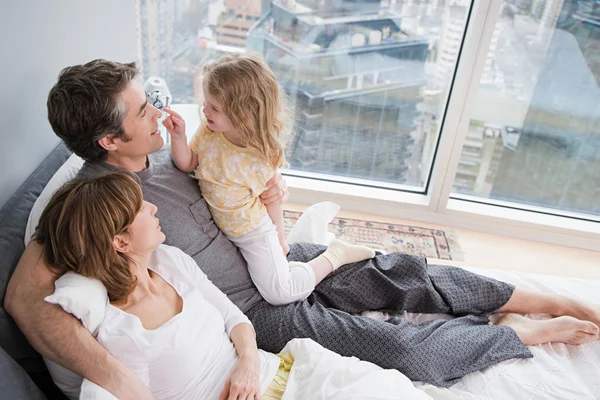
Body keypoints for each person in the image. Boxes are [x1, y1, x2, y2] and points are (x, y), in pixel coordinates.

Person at [5, 59, 599, 400]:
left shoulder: (167, 151)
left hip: (267, 254)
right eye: (142, 112)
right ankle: (522, 337)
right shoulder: (92, 201)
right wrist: (121, 384)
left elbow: (238, 171)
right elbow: (24, 296)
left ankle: (526, 297)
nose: (160, 112)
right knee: (391, 348)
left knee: (396, 271)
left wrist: (274, 205)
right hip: (249, 303)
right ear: (109, 141)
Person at [36, 172, 289, 400]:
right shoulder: (122, 331)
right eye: (140, 208)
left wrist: (249, 362)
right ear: (120, 243)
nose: (153, 208)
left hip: (269, 372)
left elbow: (234, 317)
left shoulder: (170, 260)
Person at [165, 52, 375, 306]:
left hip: (252, 232)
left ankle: (336, 255)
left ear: (242, 112)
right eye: (206, 102)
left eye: (214, 107)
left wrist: (279, 237)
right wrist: (178, 137)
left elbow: (272, 199)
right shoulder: (209, 131)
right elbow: (188, 163)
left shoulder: (258, 156)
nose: (204, 110)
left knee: (280, 293)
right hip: (223, 229)